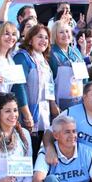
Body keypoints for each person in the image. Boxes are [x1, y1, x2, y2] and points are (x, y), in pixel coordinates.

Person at [32, 115, 92, 182]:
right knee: (51, 180)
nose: (72, 135)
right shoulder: (46, 153)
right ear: (56, 135)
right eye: (67, 132)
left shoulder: (88, 152)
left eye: (74, 131)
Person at [12, 24, 59, 161]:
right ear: (30, 39)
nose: (43, 40)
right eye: (39, 37)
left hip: (43, 116)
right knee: (27, 153)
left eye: (46, 38)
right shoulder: (22, 57)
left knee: (39, 153)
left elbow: (49, 85)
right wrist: (27, 114)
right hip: (27, 115)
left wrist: (53, 104)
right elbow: (18, 86)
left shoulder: (44, 60)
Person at [49, 20, 87, 110]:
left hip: (79, 100)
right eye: (61, 32)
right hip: (60, 102)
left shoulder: (76, 51)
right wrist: (52, 103)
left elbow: (84, 79)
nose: (65, 35)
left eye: (67, 31)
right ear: (55, 35)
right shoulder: (51, 53)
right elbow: (48, 82)